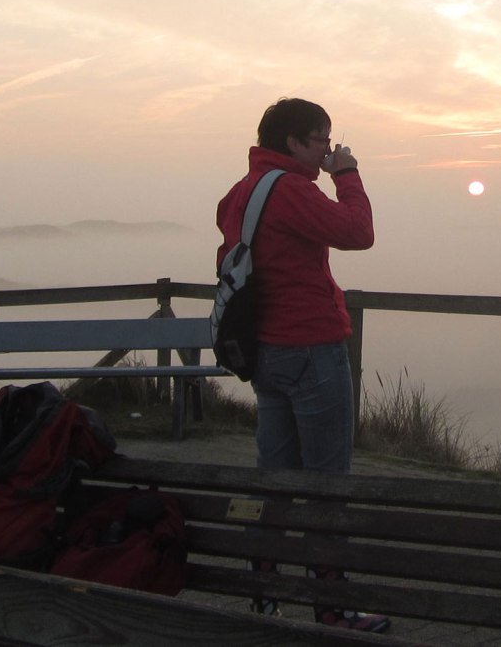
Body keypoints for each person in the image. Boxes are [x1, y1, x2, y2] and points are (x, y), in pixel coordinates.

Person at [215, 97, 386, 633]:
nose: (328, 150)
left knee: (276, 481)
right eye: (321, 139)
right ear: (293, 142)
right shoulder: (292, 191)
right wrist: (349, 175)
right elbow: (358, 232)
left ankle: (266, 596)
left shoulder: (241, 193)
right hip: (311, 348)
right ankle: (332, 608)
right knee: (327, 485)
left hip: (267, 352)